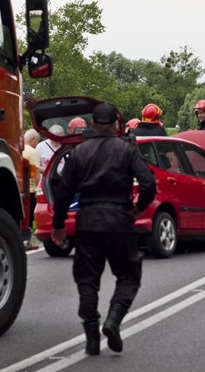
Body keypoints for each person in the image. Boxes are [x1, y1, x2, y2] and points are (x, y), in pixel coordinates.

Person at [51, 103, 156, 356]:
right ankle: (113, 320)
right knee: (129, 275)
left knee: (87, 280)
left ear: (94, 123)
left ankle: (91, 338)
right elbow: (148, 183)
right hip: (120, 220)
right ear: (114, 126)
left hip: (88, 222)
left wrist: (58, 225)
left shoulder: (78, 152)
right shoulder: (126, 150)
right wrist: (138, 208)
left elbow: (64, 191)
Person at [22, 129, 41, 249]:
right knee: (29, 218)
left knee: (22, 216)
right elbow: (35, 173)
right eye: (37, 141)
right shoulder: (33, 152)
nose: (37, 144)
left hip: (21, 187)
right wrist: (38, 189)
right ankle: (26, 242)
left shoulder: (20, 149)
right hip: (31, 189)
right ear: (33, 139)